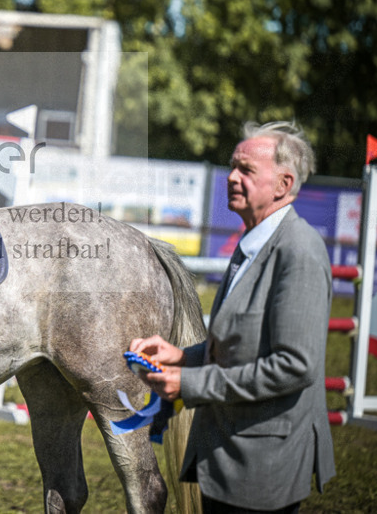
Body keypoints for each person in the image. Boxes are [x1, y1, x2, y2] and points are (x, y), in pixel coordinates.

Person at [130, 121, 335, 513]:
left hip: (261, 465)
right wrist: (181, 355)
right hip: (228, 453)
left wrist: (189, 382)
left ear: (282, 184)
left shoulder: (299, 251)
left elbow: (294, 366)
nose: (232, 177)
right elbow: (245, 342)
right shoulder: (253, 243)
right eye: (232, 166)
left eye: (246, 169)